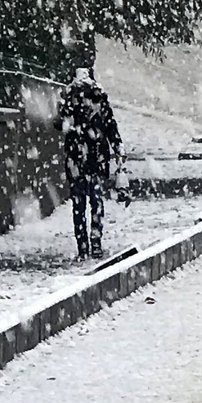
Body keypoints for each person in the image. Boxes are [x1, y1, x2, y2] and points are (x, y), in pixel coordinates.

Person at [58, 67, 122, 261]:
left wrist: (117, 147)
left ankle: (86, 245)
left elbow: (110, 127)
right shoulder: (87, 105)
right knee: (93, 202)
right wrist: (117, 147)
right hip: (89, 160)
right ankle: (91, 243)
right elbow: (111, 127)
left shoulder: (85, 105)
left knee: (83, 204)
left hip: (81, 160)